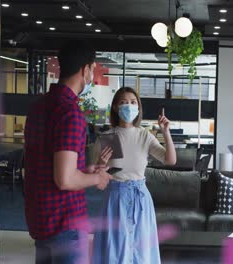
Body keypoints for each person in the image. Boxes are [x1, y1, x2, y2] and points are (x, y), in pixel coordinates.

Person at [24, 40, 113, 264]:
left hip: (41, 220)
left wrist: (85, 170)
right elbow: (64, 179)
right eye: (93, 69)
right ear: (85, 70)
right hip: (66, 224)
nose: (92, 75)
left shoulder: (39, 107)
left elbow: (48, 163)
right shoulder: (70, 114)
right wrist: (96, 178)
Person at [91, 87, 177, 264]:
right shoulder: (105, 137)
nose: (128, 106)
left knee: (141, 254)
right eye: (123, 102)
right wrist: (100, 164)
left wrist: (165, 133)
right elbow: (96, 180)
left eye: (133, 102)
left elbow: (170, 160)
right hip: (114, 200)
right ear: (115, 107)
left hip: (140, 200)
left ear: (138, 108)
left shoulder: (145, 136)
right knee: (115, 253)